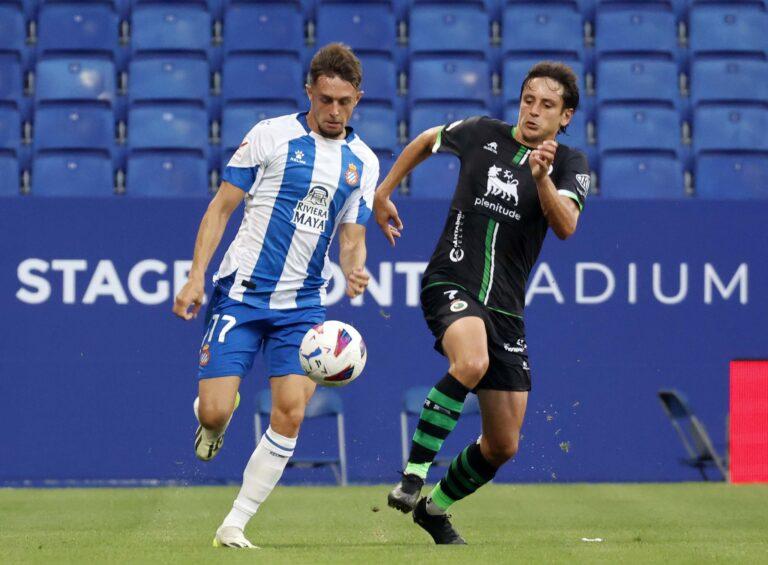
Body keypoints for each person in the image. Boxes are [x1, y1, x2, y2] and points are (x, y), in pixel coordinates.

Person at [373, 62, 589, 544]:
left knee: (503, 444)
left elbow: (566, 226)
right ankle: (413, 476)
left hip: (507, 310)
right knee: (470, 360)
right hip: (451, 280)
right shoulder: (480, 133)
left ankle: (435, 509)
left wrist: (542, 179)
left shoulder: (570, 165)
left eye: (547, 105)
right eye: (528, 99)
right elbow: (427, 140)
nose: (533, 111)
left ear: (566, 116)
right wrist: (384, 191)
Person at [173, 43, 377, 549]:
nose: (334, 111)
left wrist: (355, 270)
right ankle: (213, 418)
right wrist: (196, 275)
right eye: (326, 99)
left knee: (290, 411)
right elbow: (221, 208)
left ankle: (234, 524)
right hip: (241, 295)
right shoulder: (270, 136)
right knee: (216, 411)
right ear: (309, 91)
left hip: (303, 308)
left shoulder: (363, 162)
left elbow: (352, 238)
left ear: (358, 99)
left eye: (345, 101)